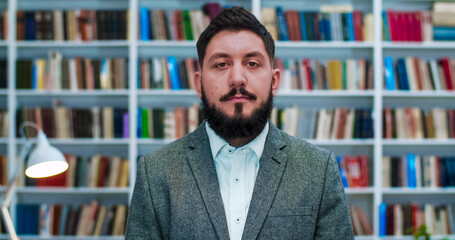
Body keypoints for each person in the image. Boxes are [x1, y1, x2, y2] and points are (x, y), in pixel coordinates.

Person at [126, 6, 354, 239]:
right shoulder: (155, 173)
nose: (237, 78)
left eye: (252, 63)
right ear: (198, 84)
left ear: (275, 81)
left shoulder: (319, 170)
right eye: (221, 64)